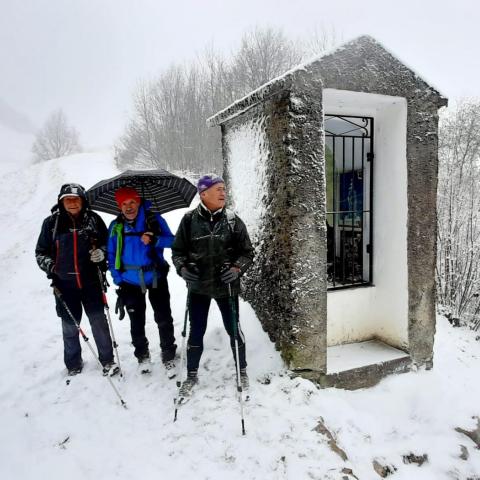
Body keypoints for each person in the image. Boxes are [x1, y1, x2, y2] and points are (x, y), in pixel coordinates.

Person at [172, 174, 254, 397]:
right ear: (203, 193)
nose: (223, 193)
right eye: (218, 189)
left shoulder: (232, 220)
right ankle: (191, 374)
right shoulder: (189, 221)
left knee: (234, 330)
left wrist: (237, 269)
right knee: (196, 332)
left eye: (224, 189)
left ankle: (242, 370)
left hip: (226, 287)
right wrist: (183, 269)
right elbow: (177, 252)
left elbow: (247, 252)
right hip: (198, 287)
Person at [35, 183, 117, 376]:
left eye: (76, 199)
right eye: (67, 199)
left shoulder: (94, 220)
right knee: (70, 325)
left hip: (92, 282)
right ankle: (73, 363)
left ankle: (107, 360)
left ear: (83, 201)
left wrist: (102, 253)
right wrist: (53, 267)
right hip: (64, 285)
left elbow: (108, 245)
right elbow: (40, 253)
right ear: (61, 202)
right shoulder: (51, 224)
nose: (72, 203)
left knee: (98, 322)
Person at [107, 187, 177, 375]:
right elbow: (111, 254)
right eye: (124, 203)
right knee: (136, 322)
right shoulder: (116, 226)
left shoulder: (153, 219)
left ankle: (169, 354)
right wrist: (117, 278)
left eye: (132, 202)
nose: (129, 207)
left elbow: (173, 241)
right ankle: (142, 356)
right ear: (119, 206)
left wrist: (155, 240)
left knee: (163, 317)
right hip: (129, 282)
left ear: (138, 202)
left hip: (156, 277)